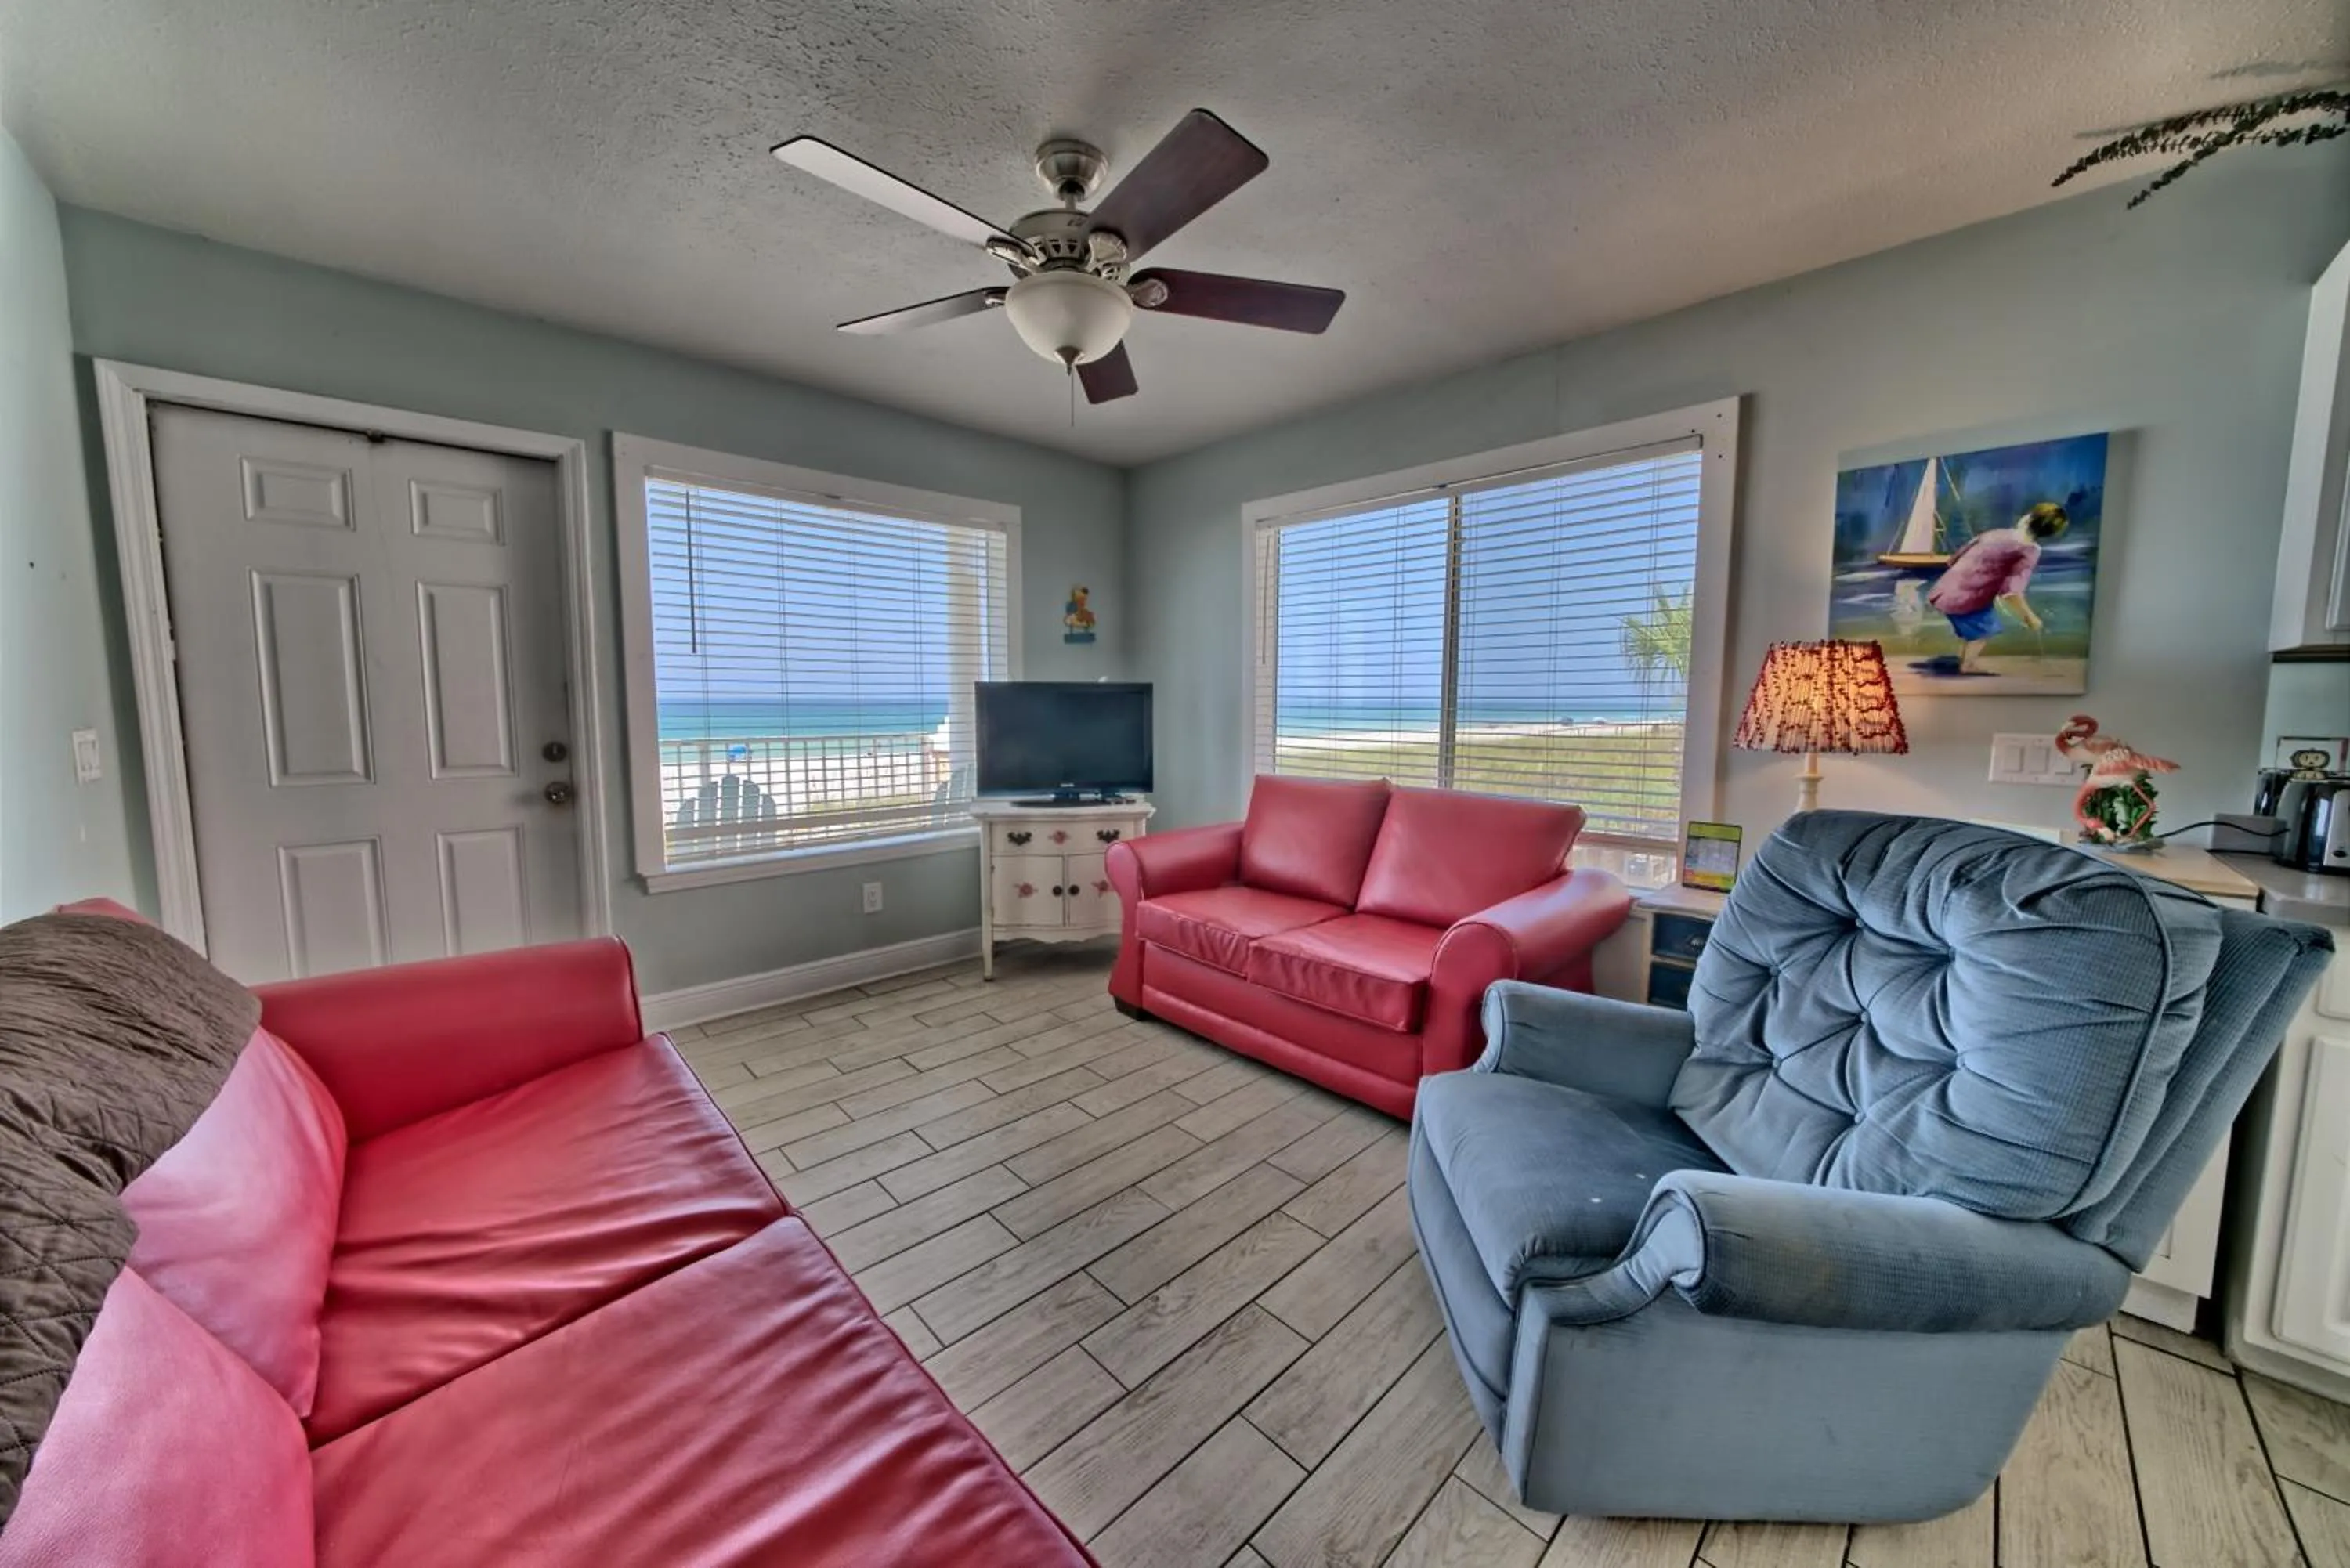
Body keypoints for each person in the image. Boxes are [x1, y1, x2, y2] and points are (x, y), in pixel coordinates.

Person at [1925, 501, 2068, 673]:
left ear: (2027, 517)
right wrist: (2030, 617)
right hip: (1966, 598)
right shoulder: (2030, 550)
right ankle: (1967, 666)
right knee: (1986, 630)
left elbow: (1954, 558)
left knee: (1975, 629)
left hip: (1944, 589)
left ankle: (1964, 661)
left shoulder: (1996, 533)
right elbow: (2012, 591)